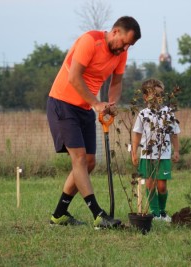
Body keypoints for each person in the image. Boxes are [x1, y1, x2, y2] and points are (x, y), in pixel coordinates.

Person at [47, 16, 141, 229]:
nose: (125, 47)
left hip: (84, 107)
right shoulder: (90, 41)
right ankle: (98, 214)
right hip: (62, 103)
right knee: (79, 159)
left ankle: (59, 215)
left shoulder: (121, 54)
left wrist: (110, 105)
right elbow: (74, 77)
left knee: (89, 162)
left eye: (130, 45)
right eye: (125, 42)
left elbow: (116, 83)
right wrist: (97, 104)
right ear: (115, 31)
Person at [131, 79, 180, 222]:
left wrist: (176, 151)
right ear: (146, 97)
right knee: (149, 184)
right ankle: (155, 213)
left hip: (163, 155)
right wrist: (134, 152)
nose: (158, 98)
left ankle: (163, 211)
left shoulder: (168, 113)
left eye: (161, 95)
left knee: (162, 186)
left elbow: (174, 133)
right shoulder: (143, 114)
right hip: (147, 156)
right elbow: (137, 133)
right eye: (154, 95)